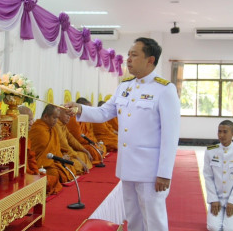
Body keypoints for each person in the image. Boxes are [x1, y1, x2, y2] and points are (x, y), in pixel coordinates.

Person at [65, 37, 180, 231]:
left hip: (150, 170)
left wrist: (164, 173)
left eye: (134, 55)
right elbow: (103, 113)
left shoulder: (164, 90)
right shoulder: (124, 87)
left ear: (150, 60)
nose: (128, 59)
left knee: (154, 221)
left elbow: (171, 135)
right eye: (128, 54)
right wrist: (80, 109)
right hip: (127, 166)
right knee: (133, 217)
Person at [203, 120, 233, 231]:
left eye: (225, 132)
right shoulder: (210, 151)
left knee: (230, 229)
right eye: (219, 131)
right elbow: (208, 177)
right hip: (217, 198)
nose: (221, 135)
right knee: (213, 227)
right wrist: (213, 199)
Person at [19, 105, 62, 195]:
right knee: (50, 178)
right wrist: (34, 176)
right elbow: (22, 170)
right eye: (28, 120)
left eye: (32, 119)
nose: (32, 123)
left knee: (52, 179)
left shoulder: (26, 139)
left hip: (33, 172)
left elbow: (31, 159)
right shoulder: (16, 140)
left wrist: (36, 173)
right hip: (21, 177)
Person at [29, 104, 76, 183]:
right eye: (54, 118)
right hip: (41, 164)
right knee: (54, 174)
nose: (56, 120)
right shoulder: (38, 129)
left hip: (52, 162)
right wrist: (60, 158)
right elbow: (43, 153)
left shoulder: (52, 129)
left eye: (57, 118)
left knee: (70, 167)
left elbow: (55, 148)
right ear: (46, 116)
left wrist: (62, 156)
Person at [55, 107, 93, 174]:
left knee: (84, 155)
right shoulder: (56, 125)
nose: (69, 117)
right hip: (61, 154)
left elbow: (72, 139)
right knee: (76, 163)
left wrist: (85, 150)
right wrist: (78, 159)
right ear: (59, 114)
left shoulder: (63, 125)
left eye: (70, 115)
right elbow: (64, 146)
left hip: (68, 153)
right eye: (67, 114)